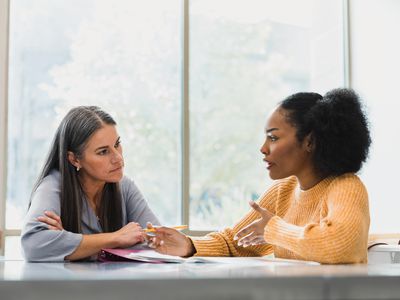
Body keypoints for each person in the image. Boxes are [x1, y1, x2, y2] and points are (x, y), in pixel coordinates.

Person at [147, 88, 372, 264]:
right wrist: (188, 245)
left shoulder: (346, 187)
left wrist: (273, 229)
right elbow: (236, 243)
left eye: (273, 138)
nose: (263, 148)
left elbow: (340, 246)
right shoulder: (282, 191)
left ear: (309, 141)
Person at [21, 106, 160, 262]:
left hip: (116, 285)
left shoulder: (124, 186)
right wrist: (115, 238)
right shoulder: (53, 186)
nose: (118, 158)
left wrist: (68, 243)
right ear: (74, 159)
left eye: (117, 144)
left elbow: (158, 243)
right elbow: (33, 245)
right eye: (103, 152)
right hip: (67, 286)